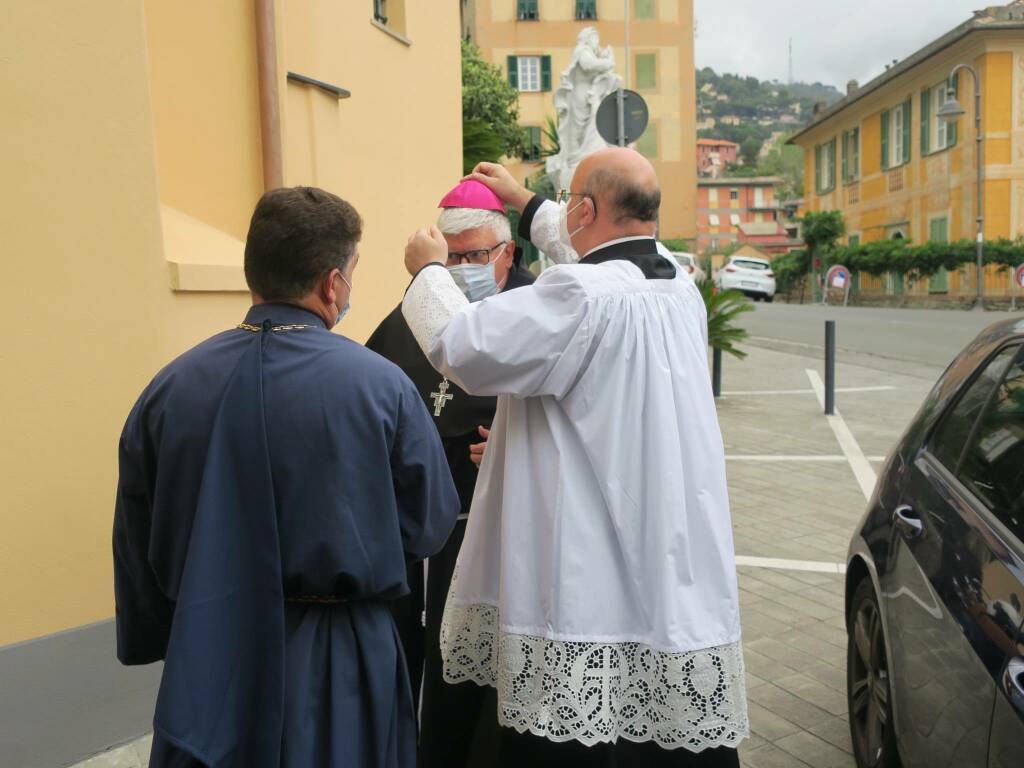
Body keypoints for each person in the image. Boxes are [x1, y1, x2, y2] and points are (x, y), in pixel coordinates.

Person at [400, 150, 748, 767]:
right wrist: (524, 202)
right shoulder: (674, 281)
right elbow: (580, 248)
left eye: (567, 202)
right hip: (670, 544)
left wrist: (429, 273)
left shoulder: (580, 298)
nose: (560, 213)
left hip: (588, 559)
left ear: (585, 209)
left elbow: (466, 346)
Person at [113, 186, 459, 768]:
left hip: (208, 649)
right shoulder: (382, 386)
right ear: (333, 283)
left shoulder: (169, 388)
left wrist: (159, 633)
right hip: (339, 656)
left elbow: (136, 535)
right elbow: (428, 524)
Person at [366, 179, 535, 767]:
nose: (458, 269)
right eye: (451, 255)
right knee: (425, 659)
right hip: (421, 536)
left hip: (502, 531)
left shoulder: (541, 314)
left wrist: (521, 447)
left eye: (472, 256)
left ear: (507, 254)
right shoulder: (416, 312)